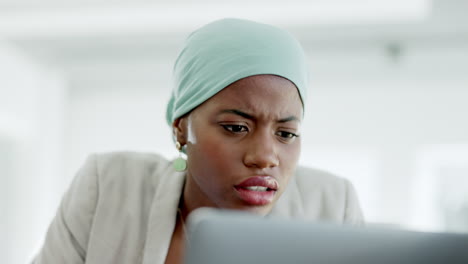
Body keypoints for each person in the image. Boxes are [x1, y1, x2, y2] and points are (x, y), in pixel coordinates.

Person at [32, 18, 364, 264]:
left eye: (286, 134)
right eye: (236, 127)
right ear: (181, 129)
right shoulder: (108, 186)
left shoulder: (332, 207)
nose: (265, 157)